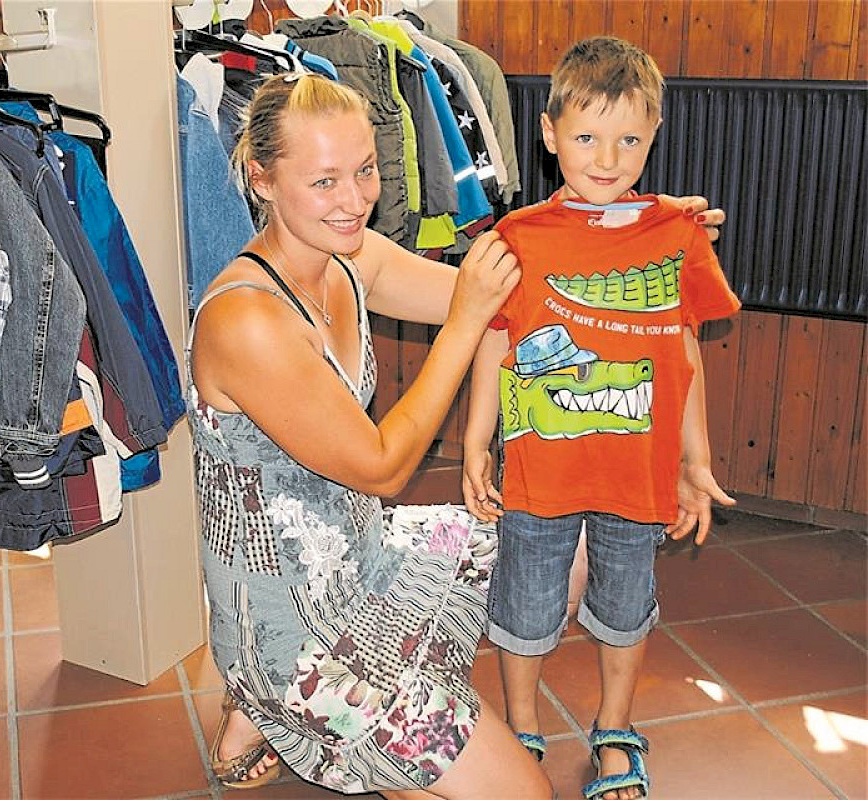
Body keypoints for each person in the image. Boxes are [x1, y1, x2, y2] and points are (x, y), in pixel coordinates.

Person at [188, 73, 550, 798]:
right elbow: (383, 468)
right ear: (261, 179)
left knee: (538, 554)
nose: (354, 201)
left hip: (366, 558)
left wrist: (635, 231)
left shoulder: (348, 258)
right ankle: (268, 698)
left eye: (364, 171)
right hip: (298, 636)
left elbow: (506, 285)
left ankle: (308, 727)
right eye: (324, 181)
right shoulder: (246, 320)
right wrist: (465, 326)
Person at [461, 36, 741, 800]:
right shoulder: (517, 238)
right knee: (523, 603)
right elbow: (493, 340)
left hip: (637, 471)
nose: (607, 158)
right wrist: (475, 440)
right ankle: (522, 727)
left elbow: (686, 352)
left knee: (625, 604)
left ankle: (616, 728)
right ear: (550, 136)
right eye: (586, 136)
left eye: (628, 140)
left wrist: (697, 460)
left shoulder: (678, 235)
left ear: (654, 137)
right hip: (540, 468)